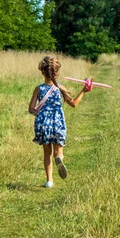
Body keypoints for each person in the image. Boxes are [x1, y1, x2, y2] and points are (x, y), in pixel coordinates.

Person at [28, 56, 89, 188]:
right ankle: (59, 158)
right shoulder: (60, 88)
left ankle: (49, 181)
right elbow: (73, 104)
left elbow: (31, 109)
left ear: (42, 72)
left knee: (46, 153)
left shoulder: (38, 89)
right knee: (58, 149)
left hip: (43, 123)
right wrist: (83, 91)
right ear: (57, 72)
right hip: (57, 122)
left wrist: (40, 110)